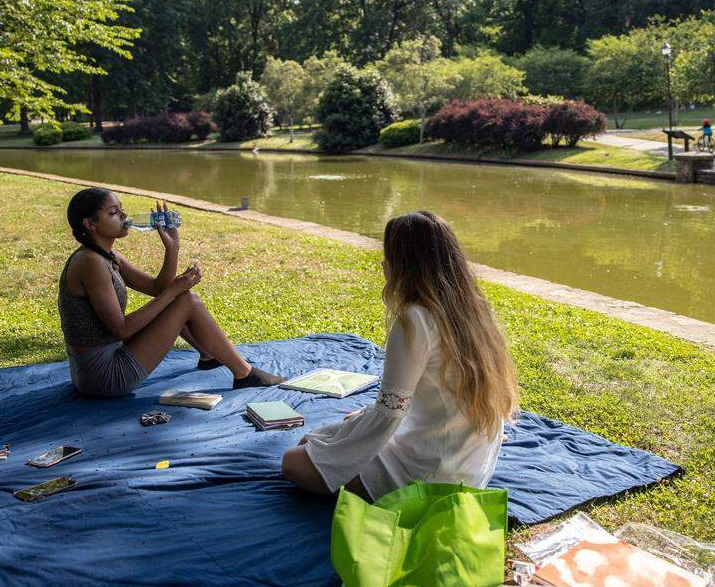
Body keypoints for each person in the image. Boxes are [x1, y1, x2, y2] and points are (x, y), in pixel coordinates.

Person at [281, 211, 519, 501]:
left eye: (388, 255)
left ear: (404, 264)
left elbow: (388, 415)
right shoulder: (473, 310)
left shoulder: (415, 319)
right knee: (343, 430)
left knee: (295, 460)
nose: (383, 264)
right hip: (467, 467)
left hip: (431, 473)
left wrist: (325, 437)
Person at [58, 187, 283, 397]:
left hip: (96, 368)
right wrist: (174, 291)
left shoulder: (107, 256)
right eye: (114, 212)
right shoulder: (90, 263)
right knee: (186, 300)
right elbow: (121, 330)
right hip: (103, 376)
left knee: (178, 299)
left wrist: (172, 247)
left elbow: (157, 288)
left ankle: (208, 355)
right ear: (90, 223)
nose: (124, 216)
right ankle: (244, 373)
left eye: (122, 210)